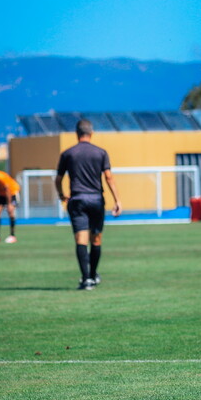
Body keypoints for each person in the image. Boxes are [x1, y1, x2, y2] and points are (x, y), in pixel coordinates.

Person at [54, 119, 122, 290]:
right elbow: (108, 177)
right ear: (91, 133)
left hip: (77, 200)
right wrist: (117, 200)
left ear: (77, 134)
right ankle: (93, 275)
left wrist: (61, 194)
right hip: (96, 200)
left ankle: (86, 280)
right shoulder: (101, 152)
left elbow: (59, 178)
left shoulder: (68, 153)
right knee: (96, 240)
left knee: (81, 239)